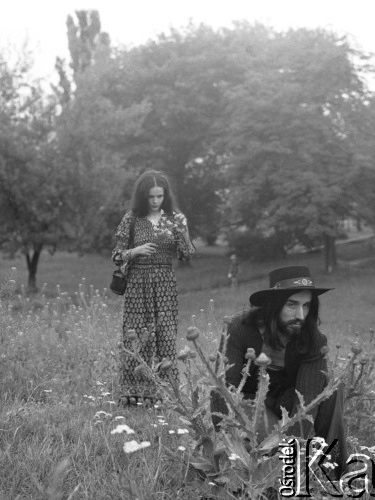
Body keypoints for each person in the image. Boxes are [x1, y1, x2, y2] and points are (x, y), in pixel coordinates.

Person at [211, 265, 347, 476]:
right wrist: (228, 441)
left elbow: (306, 405)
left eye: (306, 305)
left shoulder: (314, 340)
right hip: (250, 404)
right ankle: (238, 470)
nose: (300, 315)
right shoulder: (240, 328)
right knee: (223, 395)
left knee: (332, 389)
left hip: (288, 405)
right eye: (292, 304)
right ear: (273, 305)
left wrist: (289, 455)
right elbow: (225, 389)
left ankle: (335, 473)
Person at [112, 170, 195, 406]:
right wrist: (135, 251)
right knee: (137, 335)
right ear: (143, 196)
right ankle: (134, 391)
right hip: (137, 283)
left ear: (165, 195)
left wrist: (184, 231)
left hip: (165, 282)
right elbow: (116, 256)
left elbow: (186, 254)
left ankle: (166, 392)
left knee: (165, 335)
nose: (156, 200)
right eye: (151, 196)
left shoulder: (174, 219)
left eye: (160, 196)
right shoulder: (132, 219)